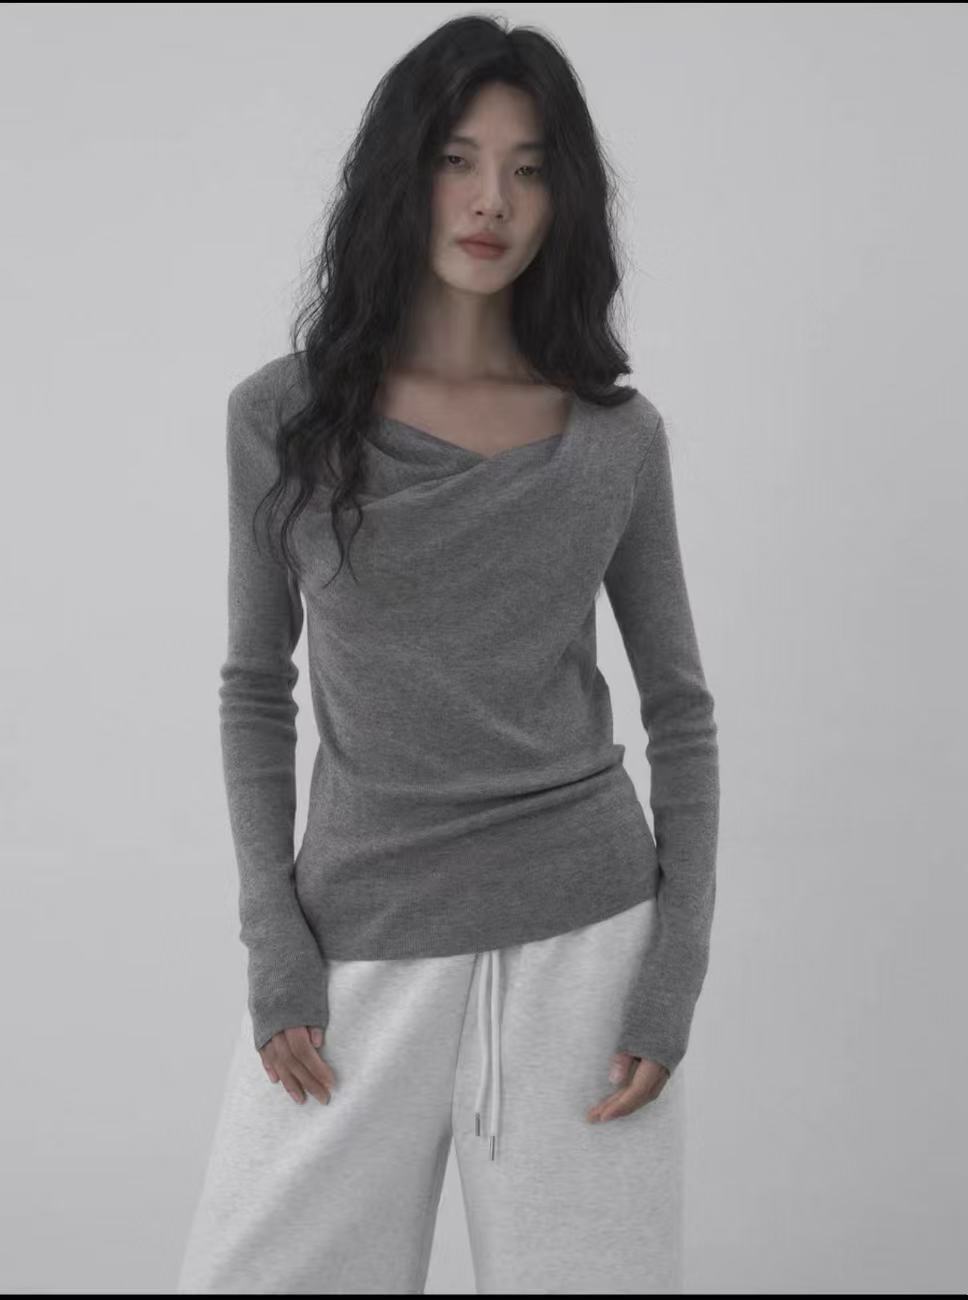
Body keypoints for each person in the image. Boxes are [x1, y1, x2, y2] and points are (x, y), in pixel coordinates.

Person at [176, 13, 720, 1295]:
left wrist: (671, 973)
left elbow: (680, 712)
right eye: (457, 160)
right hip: (356, 940)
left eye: (529, 169)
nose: (491, 202)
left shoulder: (614, 439)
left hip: (585, 947)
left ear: (561, 199)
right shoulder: (282, 418)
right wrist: (274, 942)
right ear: (402, 173)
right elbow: (255, 691)